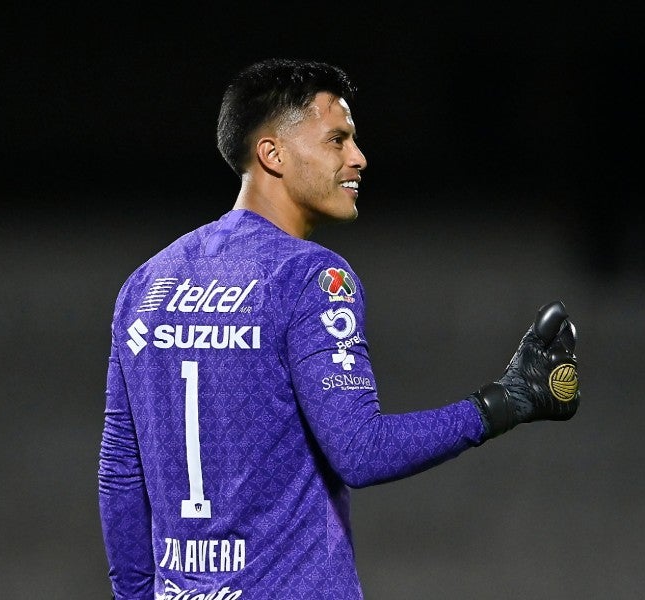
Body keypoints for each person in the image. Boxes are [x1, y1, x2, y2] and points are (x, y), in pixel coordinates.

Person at [98, 57, 581, 600]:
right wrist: (505, 402)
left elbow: (121, 472)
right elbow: (362, 451)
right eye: (336, 140)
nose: (359, 158)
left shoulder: (147, 284)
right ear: (272, 154)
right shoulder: (311, 278)